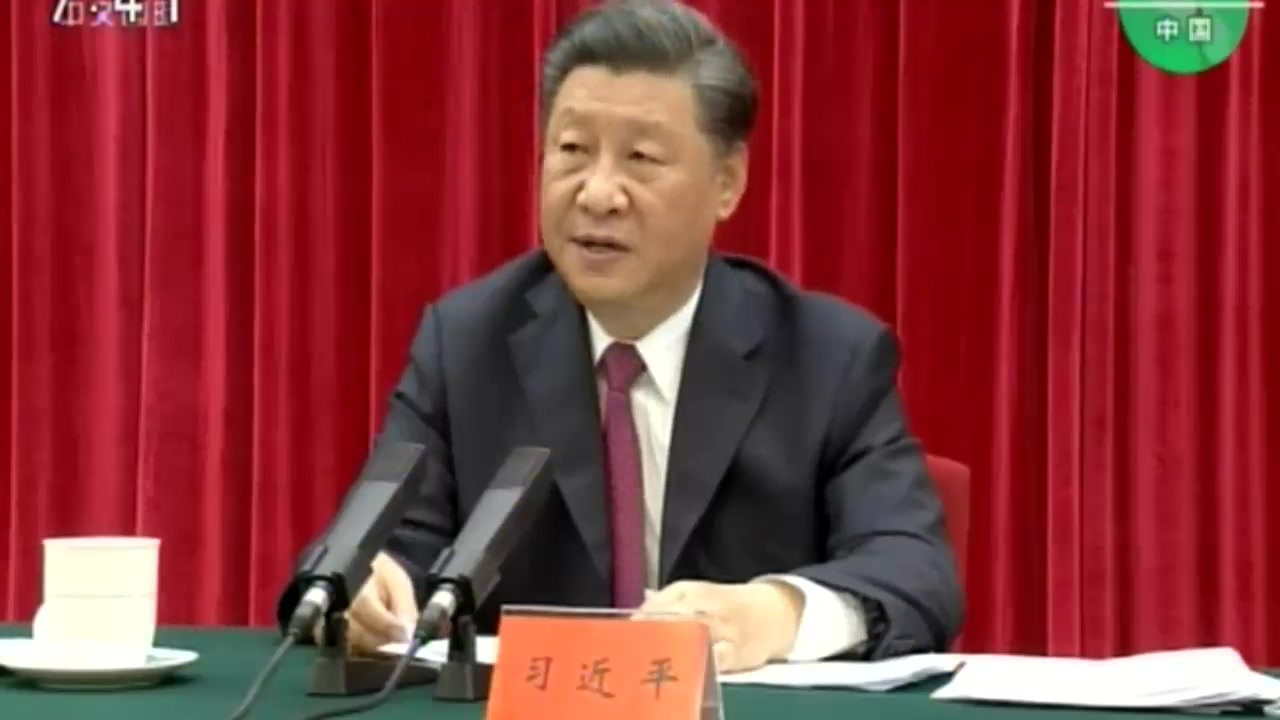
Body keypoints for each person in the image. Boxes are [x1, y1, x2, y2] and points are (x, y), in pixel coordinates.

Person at [280, 0, 962, 673]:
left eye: (641, 158)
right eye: (572, 151)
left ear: (727, 183)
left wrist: (775, 614)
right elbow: (372, 548)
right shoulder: (466, 345)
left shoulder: (826, 358)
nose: (597, 193)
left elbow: (913, 571)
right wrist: (363, 587)